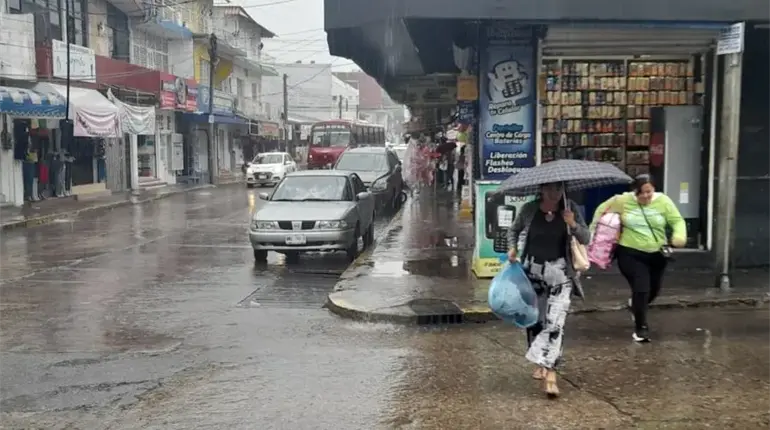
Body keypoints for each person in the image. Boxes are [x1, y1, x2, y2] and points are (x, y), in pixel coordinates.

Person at [507, 182, 590, 398]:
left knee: (555, 325)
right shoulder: (529, 209)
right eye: (550, 189)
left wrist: (572, 224)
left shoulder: (570, 208)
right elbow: (513, 230)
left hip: (561, 273)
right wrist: (512, 248)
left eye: (559, 189)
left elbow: (586, 238)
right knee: (536, 321)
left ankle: (551, 373)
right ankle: (540, 361)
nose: (555, 193)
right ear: (542, 190)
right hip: (532, 273)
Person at [591, 174, 686, 343]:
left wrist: (679, 236)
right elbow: (601, 211)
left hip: (657, 254)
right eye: (642, 193)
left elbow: (677, 220)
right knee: (641, 288)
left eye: (649, 192)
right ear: (634, 192)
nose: (646, 196)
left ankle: (635, 305)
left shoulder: (663, 201)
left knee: (653, 290)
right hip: (630, 253)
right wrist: (593, 234)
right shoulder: (622, 201)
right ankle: (641, 328)